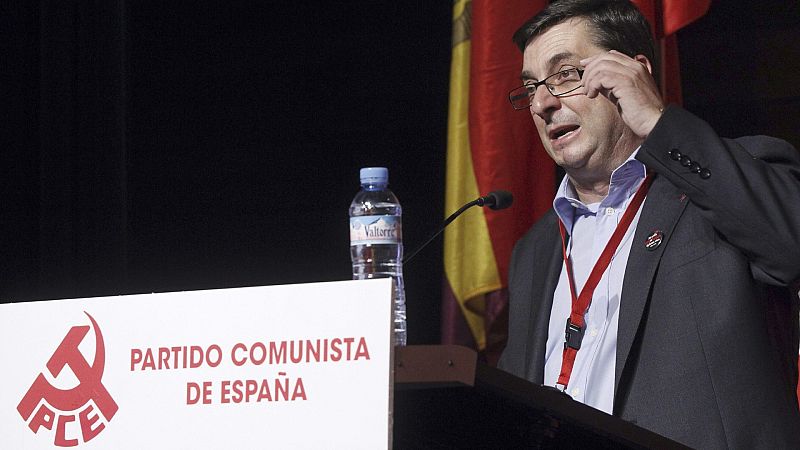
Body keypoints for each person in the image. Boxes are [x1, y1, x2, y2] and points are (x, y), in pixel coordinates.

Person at [496, 1, 800, 448]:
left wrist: (660, 123)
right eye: (532, 87)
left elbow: (791, 241)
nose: (542, 103)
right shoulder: (535, 250)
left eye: (565, 75)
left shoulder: (723, 180)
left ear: (633, 74)